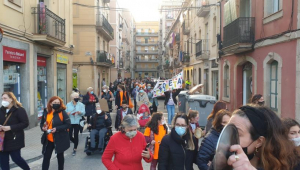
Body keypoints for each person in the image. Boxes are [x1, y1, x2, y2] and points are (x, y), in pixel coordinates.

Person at [226, 105, 300, 170]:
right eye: (227, 130)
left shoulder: (293, 165)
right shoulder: (225, 160)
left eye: (236, 133)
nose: (228, 137)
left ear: (259, 142)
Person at [0, 92, 30, 170]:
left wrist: (10, 127)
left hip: (15, 139)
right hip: (2, 140)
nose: (3, 100)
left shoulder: (19, 110)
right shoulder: (1, 110)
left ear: (11, 99)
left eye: (5, 98)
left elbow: (25, 123)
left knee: (16, 159)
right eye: (2, 98)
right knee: (3, 162)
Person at [40, 96, 71, 170]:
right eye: (55, 103)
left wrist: (57, 129)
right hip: (49, 139)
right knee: (46, 157)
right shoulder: (46, 112)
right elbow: (42, 123)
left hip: (59, 138)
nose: (57, 104)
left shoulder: (62, 112)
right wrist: (43, 128)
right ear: (50, 104)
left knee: (60, 157)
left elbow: (68, 124)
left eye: (58, 103)